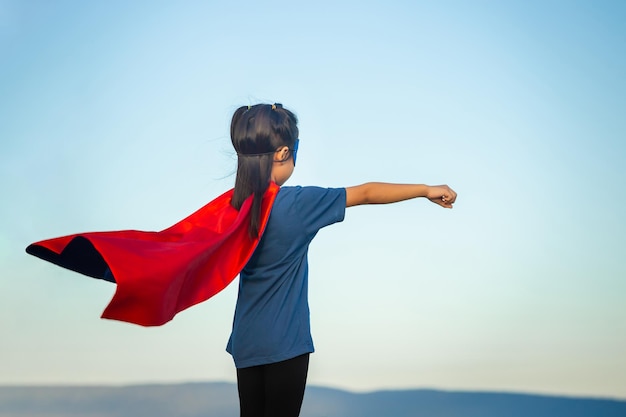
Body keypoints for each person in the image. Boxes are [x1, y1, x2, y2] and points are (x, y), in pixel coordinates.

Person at [226, 103, 457, 417]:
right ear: (282, 153)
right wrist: (425, 189)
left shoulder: (232, 209)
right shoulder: (297, 204)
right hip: (286, 344)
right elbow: (364, 193)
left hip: (246, 343)